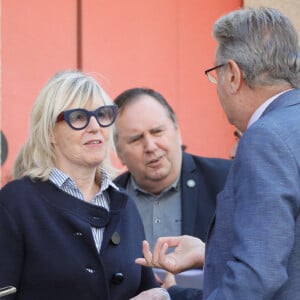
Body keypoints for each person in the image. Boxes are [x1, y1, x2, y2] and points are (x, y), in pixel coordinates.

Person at [135, 7, 300, 300]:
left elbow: (257, 278)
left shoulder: (264, 137)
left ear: (234, 75)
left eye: (217, 73)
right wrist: (208, 254)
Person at [0, 70, 169, 300]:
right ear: (50, 132)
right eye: (79, 117)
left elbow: (144, 289)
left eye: (103, 114)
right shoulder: (15, 203)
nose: (95, 126)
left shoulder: (124, 203)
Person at [113, 87, 231, 251]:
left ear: (178, 131)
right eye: (135, 139)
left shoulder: (227, 181)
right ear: (119, 153)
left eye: (157, 131)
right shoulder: (107, 200)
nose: (150, 146)